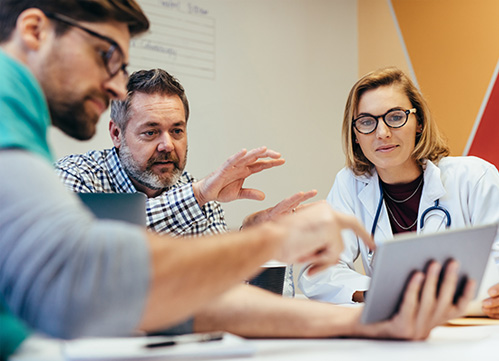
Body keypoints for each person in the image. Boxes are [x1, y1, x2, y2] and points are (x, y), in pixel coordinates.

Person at [0, 3, 473, 357]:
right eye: (106, 55)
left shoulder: (25, 128)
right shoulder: (16, 121)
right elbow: (95, 272)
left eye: (177, 130)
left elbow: (200, 296)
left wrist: (366, 323)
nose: (114, 85)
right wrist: (265, 239)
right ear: (34, 30)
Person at [54, 68, 314, 297]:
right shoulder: (75, 177)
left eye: (177, 131)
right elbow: (92, 258)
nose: (167, 145)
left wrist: (251, 234)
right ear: (116, 134)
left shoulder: (194, 190)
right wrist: (197, 195)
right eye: (151, 132)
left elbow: (220, 283)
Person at [298, 66, 499, 305]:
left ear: (419, 123)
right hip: (395, 331)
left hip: (471, 326)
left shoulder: (474, 177)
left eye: (395, 117)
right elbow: (318, 270)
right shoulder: (350, 183)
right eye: (366, 122)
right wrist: (381, 293)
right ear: (355, 135)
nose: (382, 133)